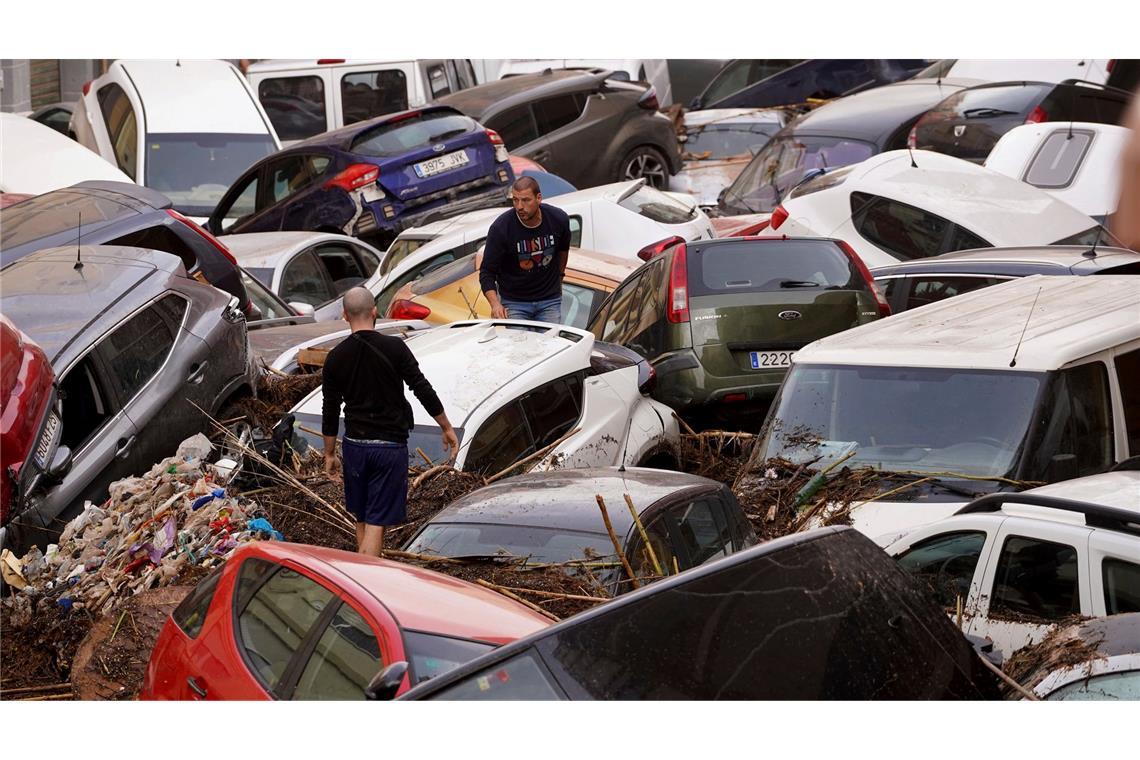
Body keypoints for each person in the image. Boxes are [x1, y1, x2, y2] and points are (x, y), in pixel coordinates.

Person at [321, 287, 458, 556]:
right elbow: (422, 388)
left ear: (345, 315)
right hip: (388, 448)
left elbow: (330, 408)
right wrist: (445, 426)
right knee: (375, 523)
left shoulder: (336, 357)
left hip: (355, 446)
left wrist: (328, 454)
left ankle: (363, 573)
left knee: (362, 516)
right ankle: (364, 582)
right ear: (375, 312)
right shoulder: (395, 348)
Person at [479, 176, 572, 323]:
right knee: (521, 344)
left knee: (550, 344)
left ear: (539, 198)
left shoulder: (558, 219)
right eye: (515, 200)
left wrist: (560, 278)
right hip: (515, 303)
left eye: (526, 200)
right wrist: (495, 304)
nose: (519, 206)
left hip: (549, 300)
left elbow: (563, 250)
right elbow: (486, 272)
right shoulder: (501, 228)